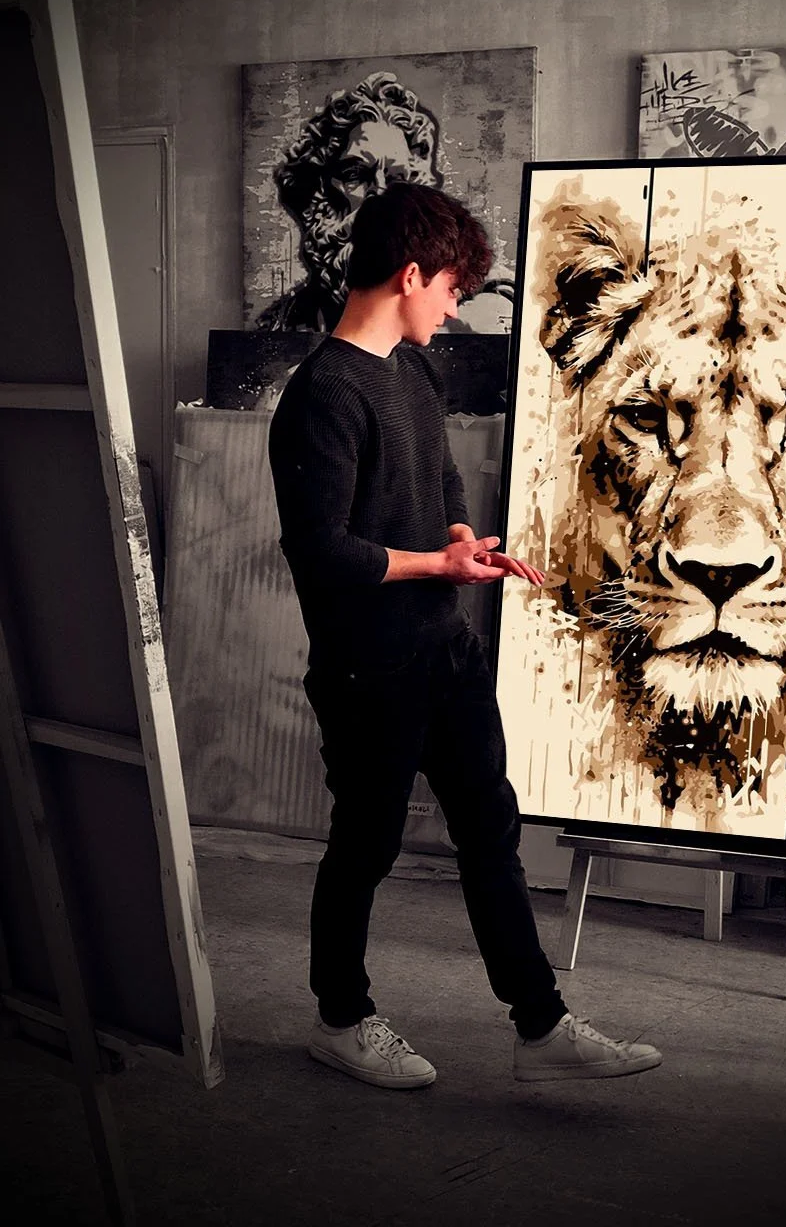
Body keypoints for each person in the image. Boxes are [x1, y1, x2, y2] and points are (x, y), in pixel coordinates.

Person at [267, 181, 662, 1089]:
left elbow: (441, 481)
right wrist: (433, 567)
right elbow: (321, 551)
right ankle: (341, 1016)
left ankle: (541, 1027)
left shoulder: (412, 370)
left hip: (444, 649)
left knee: (490, 830)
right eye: (450, 289)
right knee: (365, 846)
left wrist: (456, 541)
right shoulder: (322, 395)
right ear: (411, 275)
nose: (451, 310)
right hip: (368, 668)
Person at [256, 70, 513, 335]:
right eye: (355, 176)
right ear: (317, 190)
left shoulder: (459, 294)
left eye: (396, 179)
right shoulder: (279, 326)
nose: (378, 194)